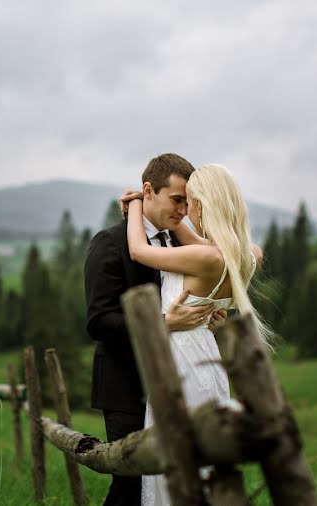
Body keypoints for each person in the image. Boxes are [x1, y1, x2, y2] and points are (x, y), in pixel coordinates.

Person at [84, 153, 228, 506]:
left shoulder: (181, 244)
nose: (183, 211)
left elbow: (189, 300)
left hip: (178, 381)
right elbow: (99, 321)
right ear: (148, 191)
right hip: (127, 384)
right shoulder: (109, 243)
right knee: (131, 482)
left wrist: (208, 318)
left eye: (187, 203)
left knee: (178, 478)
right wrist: (163, 325)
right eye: (176, 200)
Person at [123, 162, 270, 506]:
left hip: (180, 360)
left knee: (177, 453)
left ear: (203, 205)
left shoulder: (205, 258)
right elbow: (198, 242)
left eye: (190, 202)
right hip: (208, 355)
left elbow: (139, 251)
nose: (185, 211)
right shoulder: (249, 255)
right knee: (204, 453)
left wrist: (133, 207)